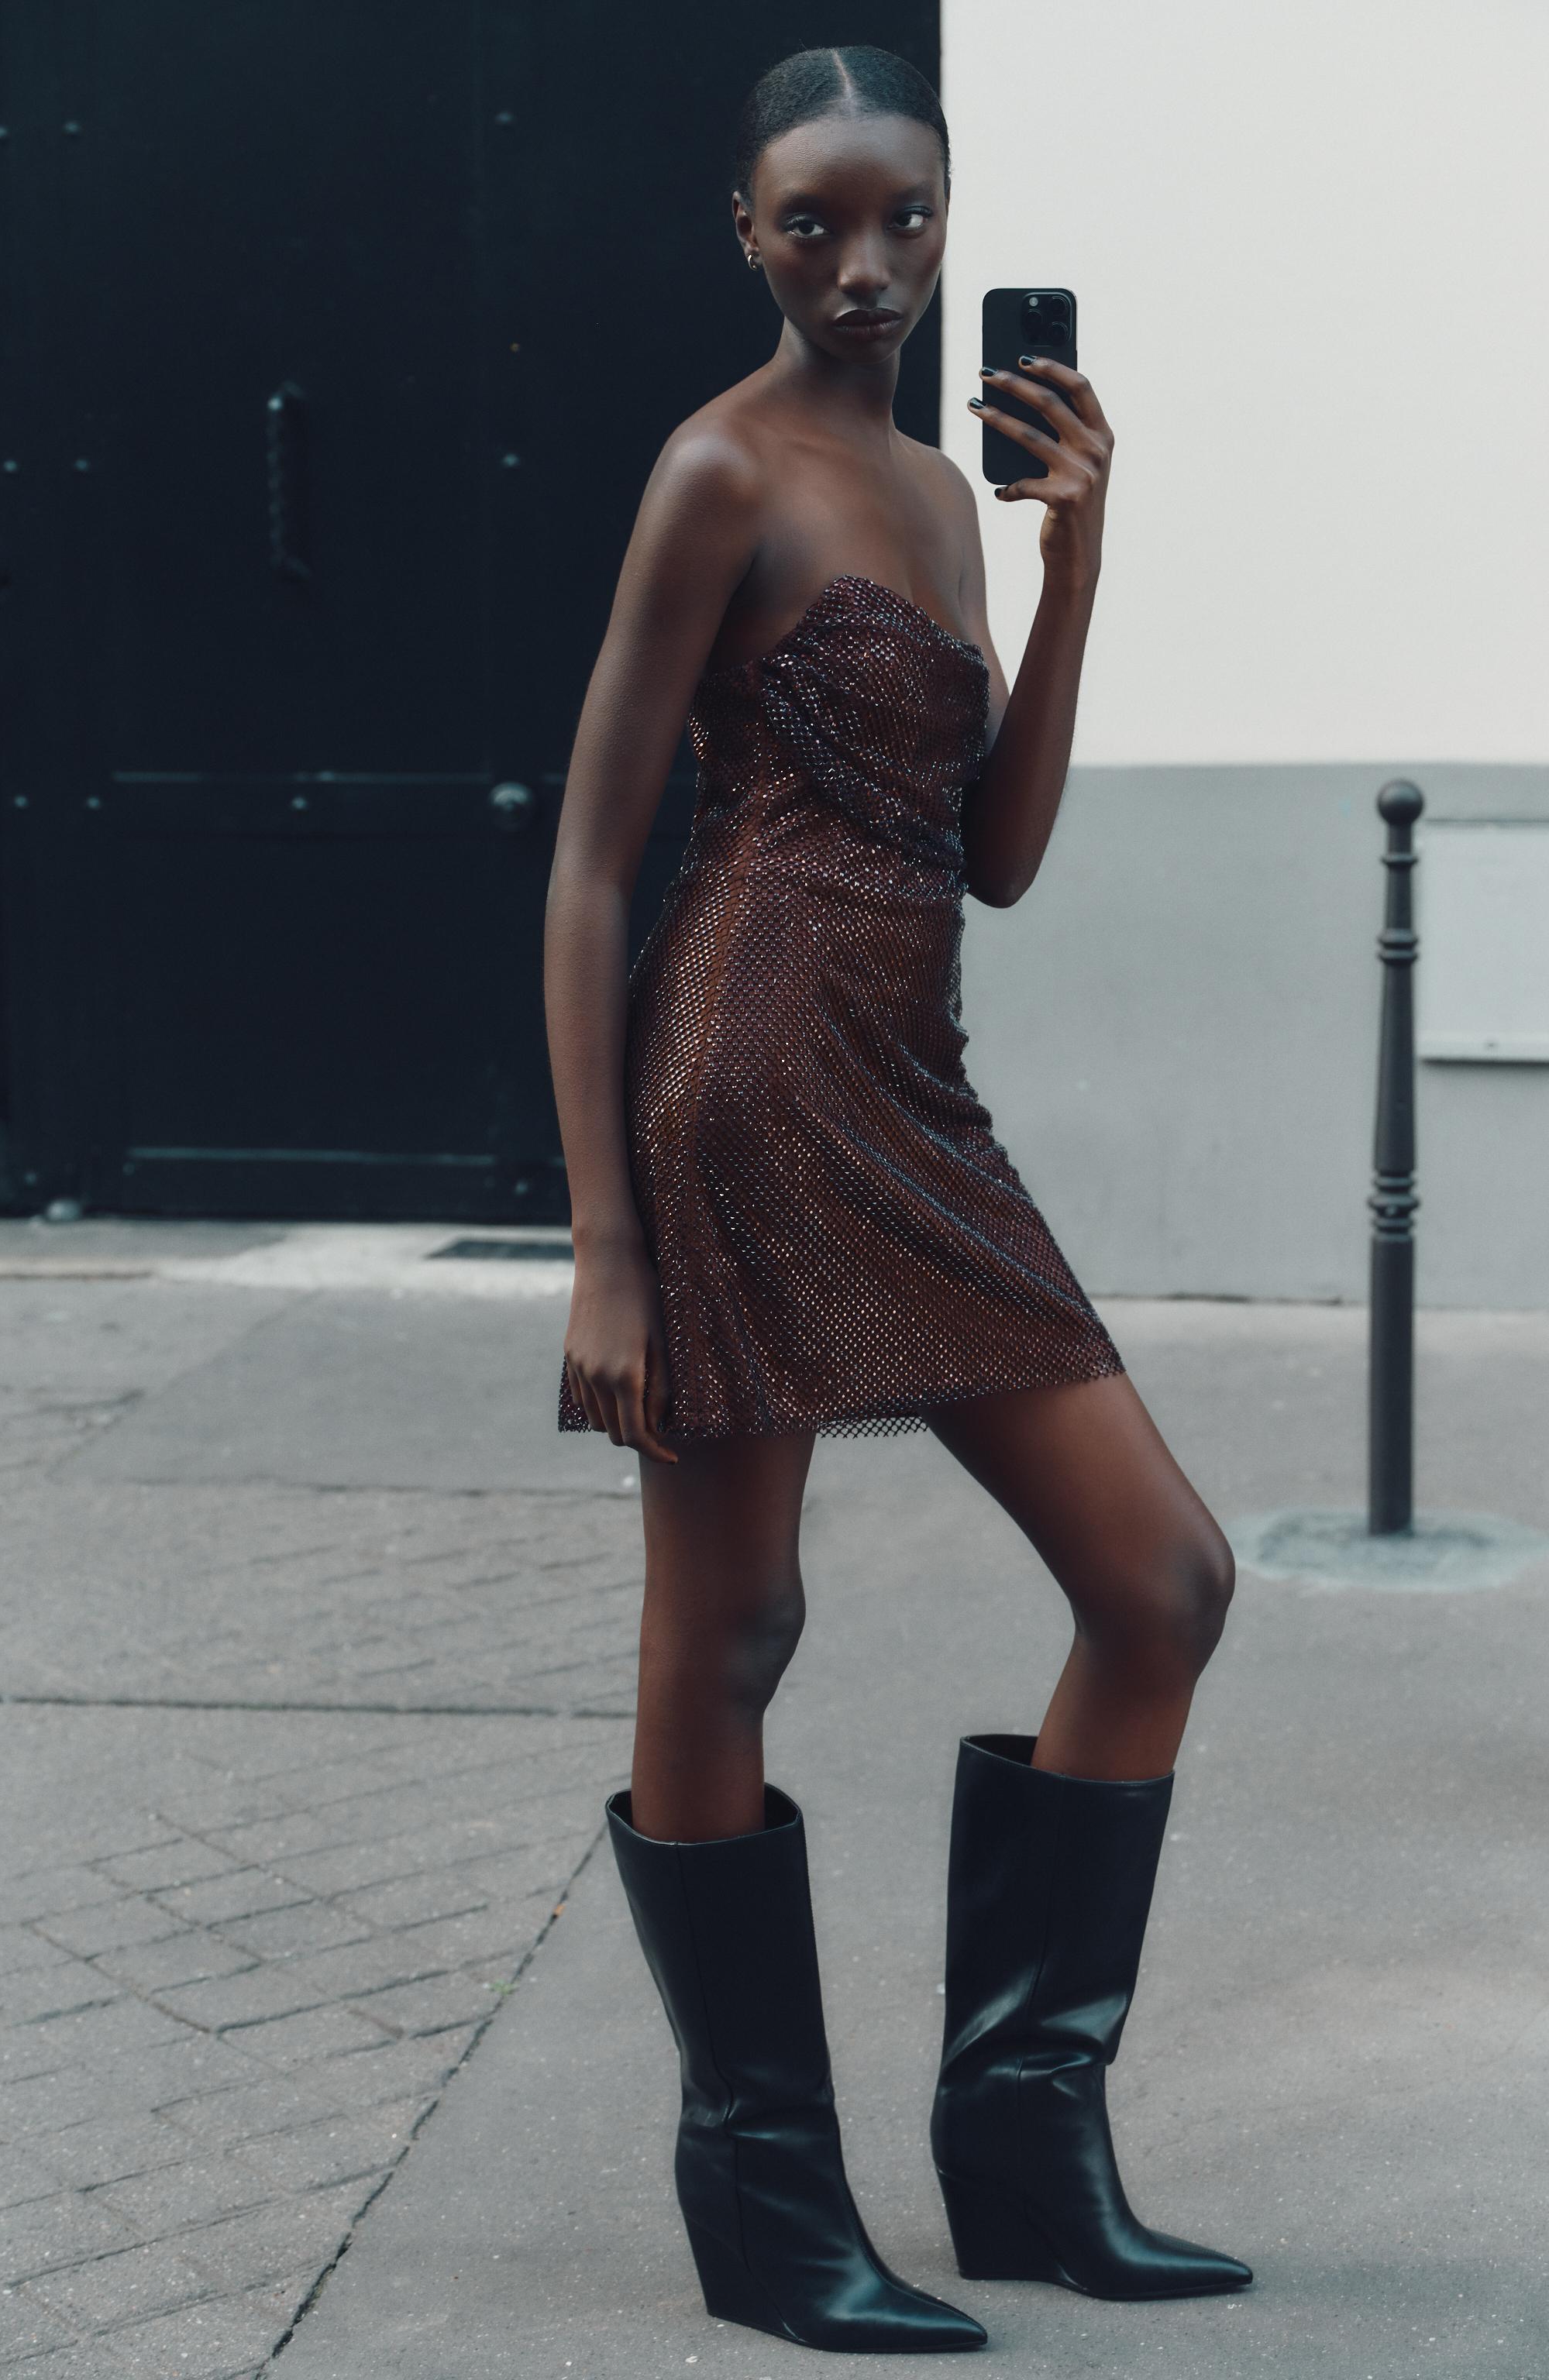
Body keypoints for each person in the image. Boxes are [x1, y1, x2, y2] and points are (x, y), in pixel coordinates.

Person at [543, 43, 1251, 2357]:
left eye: (904, 222)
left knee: (1160, 1579)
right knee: (734, 1637)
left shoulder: (946, 493)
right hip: (738, 1087)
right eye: (812, 223)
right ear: (744, 234)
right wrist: (605, 1248)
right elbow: (585, 863)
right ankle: (766, 2207)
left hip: (913, 1092)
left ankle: (1024, 2154)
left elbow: (1004, 859)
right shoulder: (714, 471)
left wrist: (1078, 562)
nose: (865, 266)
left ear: (950, 229)